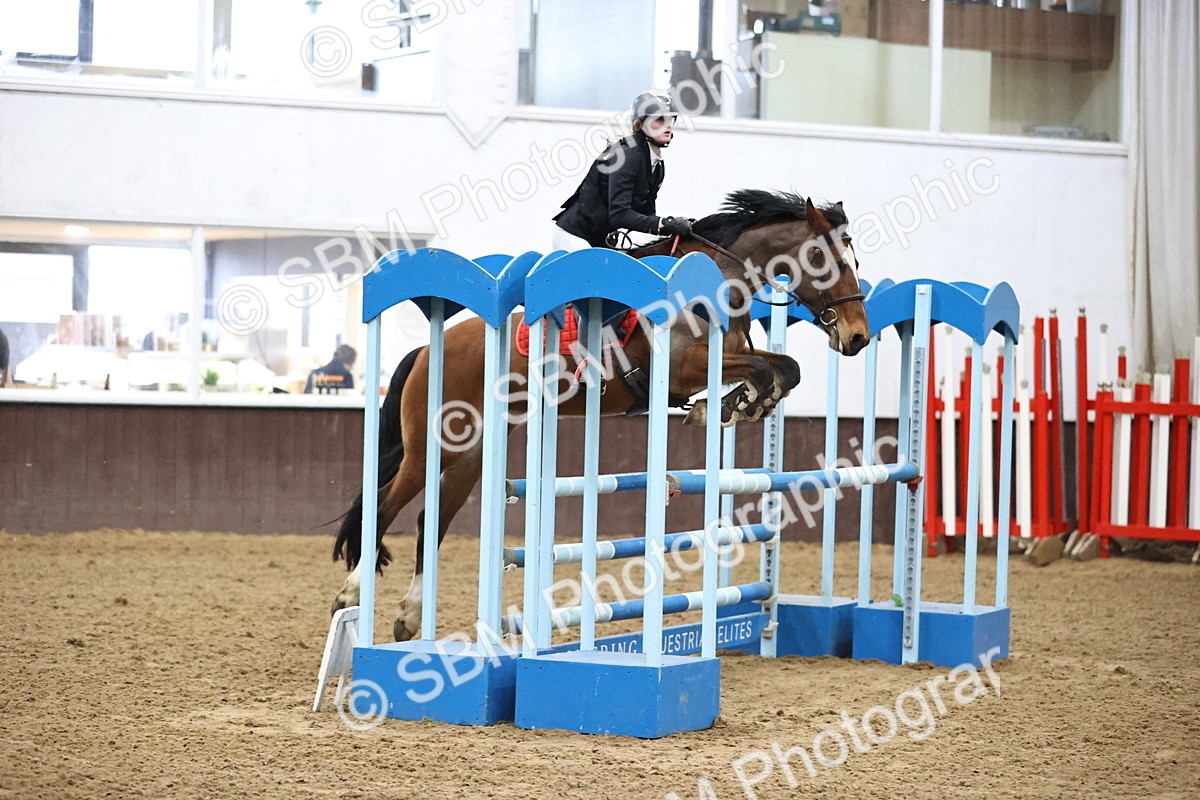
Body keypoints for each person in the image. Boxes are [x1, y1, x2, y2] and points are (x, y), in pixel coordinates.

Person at [552, 91, 694, 252]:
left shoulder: (657, 164)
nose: (668, 125)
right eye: (660, 119)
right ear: (640, 124)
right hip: (576, 236)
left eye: (671, 119)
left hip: (601, 239)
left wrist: (671, 225)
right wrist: (664, 223)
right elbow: (619, 215)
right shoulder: (629, 156)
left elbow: (646, 214)